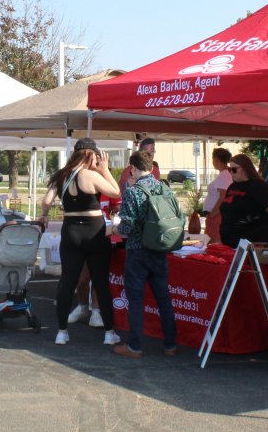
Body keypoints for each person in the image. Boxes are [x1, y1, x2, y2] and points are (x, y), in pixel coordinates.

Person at [40, 137, 122, 347]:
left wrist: (44, 215)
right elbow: (116, 192)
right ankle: (109, 333)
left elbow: (46, 201)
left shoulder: (61, 175)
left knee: (67, 281)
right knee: (101, 282)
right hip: (94, 230)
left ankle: (61, 332)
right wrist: (105, 170)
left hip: (71, 230)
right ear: (90, 155)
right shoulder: (90, 175)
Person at [110, 150, 178, 359]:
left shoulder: (133, 192)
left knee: (136, 300)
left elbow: (127, 227)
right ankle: (170, 345)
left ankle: (135, 346)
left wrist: (113, 229)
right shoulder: (164, 188)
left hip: (138, 251)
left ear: (133, 168)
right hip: (160, 248)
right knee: (163, 299)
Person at [216, 153, 268, 248]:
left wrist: (265, 226)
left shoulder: (260, 187)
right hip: (231, 242)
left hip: (252, 243)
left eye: (234, 169)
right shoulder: (232, 186)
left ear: (245, 168)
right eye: (229, 170)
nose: (231, 173)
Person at [202, 147, 234, 243]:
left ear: (216, 159)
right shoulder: (224, 174)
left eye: (213, 158)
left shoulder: (224, 175)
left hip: (216, 215)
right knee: (211, 241)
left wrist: (213, 214)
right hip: (215, 214)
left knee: (213, 242)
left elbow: (223, 196)